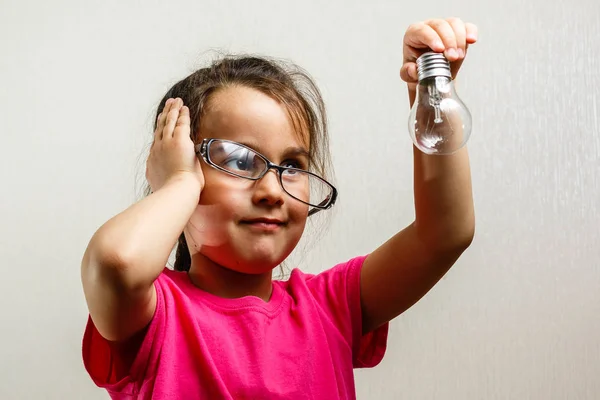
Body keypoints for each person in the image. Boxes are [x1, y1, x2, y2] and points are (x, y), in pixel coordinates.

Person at [81, 17, 477, 399]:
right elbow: (116, 263)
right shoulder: (154, 317)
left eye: (292, 166)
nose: (272, 190)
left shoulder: (332, 309)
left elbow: (444, 233)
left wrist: (432, 92)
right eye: (237, 159)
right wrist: (178, 183)